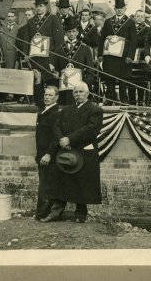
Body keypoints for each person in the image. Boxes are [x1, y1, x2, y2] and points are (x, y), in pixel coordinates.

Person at [41, 82, 103, 223]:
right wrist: (61, 139)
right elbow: (56, 126)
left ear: (87, 94)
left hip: (84, 151)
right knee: (62, 180)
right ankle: (56, 212)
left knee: (82, 182)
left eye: (81, 92)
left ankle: (81, 214)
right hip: (67, 151)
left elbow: (90, 129)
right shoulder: (67, 110)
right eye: (75, 92)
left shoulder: (95, 110)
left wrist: (70, 139)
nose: (78, 94)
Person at [26, 0, 65, 106]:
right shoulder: (31, 21)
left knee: (50, 82)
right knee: (37, 81)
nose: (39, 8)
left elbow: (59, 42)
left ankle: (52, 105)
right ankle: (39, 105)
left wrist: (53, 61)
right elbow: (27, 40)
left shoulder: (53, 19)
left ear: (46, 7)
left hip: (49, 58)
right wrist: (26, 55)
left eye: (41, 6)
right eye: (37, 6)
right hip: (35, 58)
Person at [98, 0, 136, 105]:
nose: (119, 10)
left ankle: (123, 100)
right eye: (117, 8)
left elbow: (134, 41)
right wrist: (100, 54)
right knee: (109, 78)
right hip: (110, 56)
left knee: (123, 79)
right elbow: (102, 38)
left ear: (125, 9)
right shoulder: (108, 22)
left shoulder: (130, 22)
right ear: (115, 9)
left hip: (123, 57)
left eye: (121, 8)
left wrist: (130, 56)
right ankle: (111, 99)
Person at [34, 86, 61, 220]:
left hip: (48, 156)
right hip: (42, 154)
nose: (46, 97)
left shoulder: (55, 113)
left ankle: (44, 214)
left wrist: (49, 154)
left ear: (56, 97)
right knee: (44, 184)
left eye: (50, 95)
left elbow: (56, 137)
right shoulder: (45, 111)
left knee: (46, 185)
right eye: (45, 95)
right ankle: (42, 214)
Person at [55, 17, 95, 105]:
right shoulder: (59, 49)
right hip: (64, 90)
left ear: (77, 32)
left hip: (79, 90)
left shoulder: (85, 49)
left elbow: (90, 71)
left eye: (74, 31)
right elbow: (56, 70)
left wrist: (84, 85)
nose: (71, 34)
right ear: (65, 33)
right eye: (69, 32)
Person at [129, 10, 149, 105]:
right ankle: (131, 100)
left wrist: (134, 41)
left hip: (141, 56)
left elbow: (145, 41)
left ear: (144, 18)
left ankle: (141, 100)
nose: (139, 18)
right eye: (137, 16)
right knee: (130, 78)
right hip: (131, 55)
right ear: (135, 17)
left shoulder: (147, 28)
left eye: (141, 16)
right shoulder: (130, 27)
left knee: (141, 79)